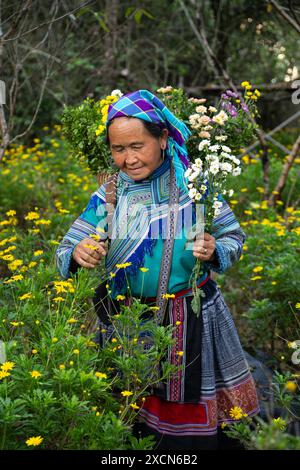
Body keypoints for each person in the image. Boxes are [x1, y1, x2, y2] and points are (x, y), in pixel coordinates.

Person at [55, 89, 260, 450]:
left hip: (189, 319)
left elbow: (234, 238)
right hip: (126, 321)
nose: (128, 159)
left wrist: (214, 249)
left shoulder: (194, 186)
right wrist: (78, 254)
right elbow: (68, 245)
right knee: (129, 417)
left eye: (137, 146)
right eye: (118, 150)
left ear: (163, 138)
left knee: (185, 430)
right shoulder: (110, 194)